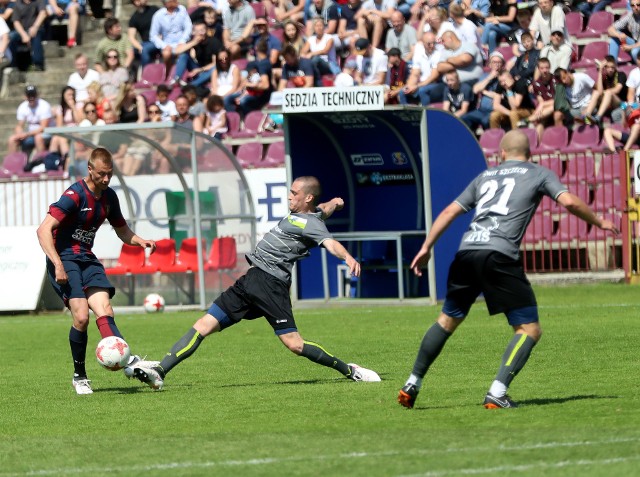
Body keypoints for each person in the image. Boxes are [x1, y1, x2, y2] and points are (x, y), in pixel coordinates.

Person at [397, 130, 619, 410]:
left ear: (501, 153)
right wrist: (598, 222)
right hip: (498, 255)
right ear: (529, 153)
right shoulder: (539, 173)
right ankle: (497, 392)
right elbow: (570, 201)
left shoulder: (484, 177)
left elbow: (449, 212)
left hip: (467, 251)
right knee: (529, 328)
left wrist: (426, 247)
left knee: (446, 320)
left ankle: (412, 382)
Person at [128, 176, 381, 391]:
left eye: (294, 193)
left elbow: (330, 243)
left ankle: (350, 370)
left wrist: (347, 256)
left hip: (271, 285)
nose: (289, 196)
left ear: (307, 198)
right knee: (203, 325)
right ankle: (160, 371)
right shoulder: (309, 213)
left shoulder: (312, 224)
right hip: (251, 279)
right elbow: (323, 209)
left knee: (295, 344)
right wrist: (335, 203)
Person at [36, 148, 159, 395]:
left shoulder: (109, 197)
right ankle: (80, 376)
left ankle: (127, 362)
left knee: (105, 309)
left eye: (109, 174)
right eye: (101, 174)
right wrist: (57, 263)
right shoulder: (74, 195)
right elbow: (43, 230)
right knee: (81, 317)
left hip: (87, 258)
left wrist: (140, 241)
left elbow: (123, 230)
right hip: (65, 259)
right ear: (90, 169)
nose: (106, 179)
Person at [149, 0, 193, 79]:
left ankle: (179, 76)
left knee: (182, 53)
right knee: (166, 54)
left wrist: (182, 41)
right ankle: (168, 74)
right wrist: (164, 45)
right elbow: (153, 35)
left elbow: (188, 27)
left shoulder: (182, 10)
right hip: (167, 43)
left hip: (181, 42)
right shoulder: (158, 15)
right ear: (166, 3)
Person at [7, 85, 52, 154]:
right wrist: (19, 133)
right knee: (12, 139)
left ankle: (40, 162)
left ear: (37, 95)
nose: (31, 98)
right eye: (29, 95)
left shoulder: (44, 105)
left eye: (33, 95)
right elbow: (19, 125)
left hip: (45, 133)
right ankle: (13, 163)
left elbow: (43, 127)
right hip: (30, 134)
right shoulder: (22, 107)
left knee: (38, 138)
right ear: (25, 96)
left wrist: (27, 134)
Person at [9, 0, 47, 71]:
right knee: (11, 37)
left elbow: (43, 13)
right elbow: (16, 21)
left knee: (35, 35)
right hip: (22, 31)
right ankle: (12, 64)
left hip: (37, 28)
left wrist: (35, 27)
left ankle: (38, 64)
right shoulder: (17, 4)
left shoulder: (38, 1)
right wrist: (23, 34)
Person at [127, 0, 160, 69]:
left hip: (158, 40)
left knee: (145, 50)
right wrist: (139, 47)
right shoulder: (134, 18)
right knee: (131, 50)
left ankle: (146, 75)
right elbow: (131, 37)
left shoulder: (155, 10)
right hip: (146, 43)